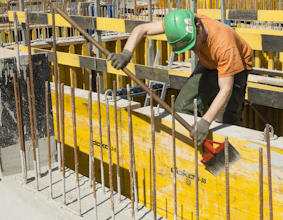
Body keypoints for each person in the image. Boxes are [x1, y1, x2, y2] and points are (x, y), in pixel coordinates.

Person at [107, 9, 253, 145]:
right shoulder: (181, 23)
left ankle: (236, 153)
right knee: (182, 107)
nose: (191, 49)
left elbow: (226, 89)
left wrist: (205, 122)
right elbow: (142, 29)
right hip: (209, 62)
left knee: (225, 118)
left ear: (199, 27)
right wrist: (126, 52)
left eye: (192, 44)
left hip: (237, 64)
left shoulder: (224, 46)